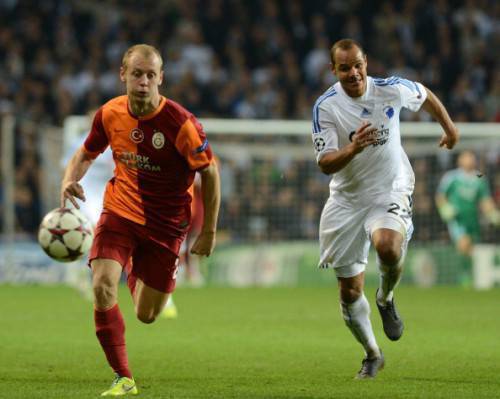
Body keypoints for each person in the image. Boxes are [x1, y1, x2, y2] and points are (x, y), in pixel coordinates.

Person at [60, 44, 221, 396]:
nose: (144, 81)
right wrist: (69, 179)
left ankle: (135, 267)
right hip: (119, 212)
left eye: (150, 75)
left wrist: (208, 231)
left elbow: (209, 173)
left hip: (166, 226)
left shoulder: (181, 123)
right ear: (123, 75)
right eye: (137, 73)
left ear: (161, 78)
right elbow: (85, 153)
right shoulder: (109, 114)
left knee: (147, 314)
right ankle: (124, 377)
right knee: (102, 284)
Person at [311, 38, 458, 379]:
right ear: (333, 70)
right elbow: (325, 163)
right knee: (349, 291)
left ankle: (386, 297)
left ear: (366, 62)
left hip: (390, 187)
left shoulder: (390, 89)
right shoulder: (325, 107)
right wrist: (353, 148)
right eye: (344, 68)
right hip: (347, 199)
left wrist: (449, 128)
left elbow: (425, 95)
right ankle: (372, 354)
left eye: (358, 64)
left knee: (388, 246)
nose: (354, 73)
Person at [436, 150, 500, 286]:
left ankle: (471, 275)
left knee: (471, 249)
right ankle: (464, 277)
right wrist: (445, 209)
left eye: (471, 157)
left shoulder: (479, 177)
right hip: (457, 218)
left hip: (473, 219)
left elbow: (485, 199)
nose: (469, 160)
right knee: (463, 244)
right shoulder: (451, 177)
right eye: (466, 157)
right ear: (459, 160)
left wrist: (493, 214)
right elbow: (440, 196)